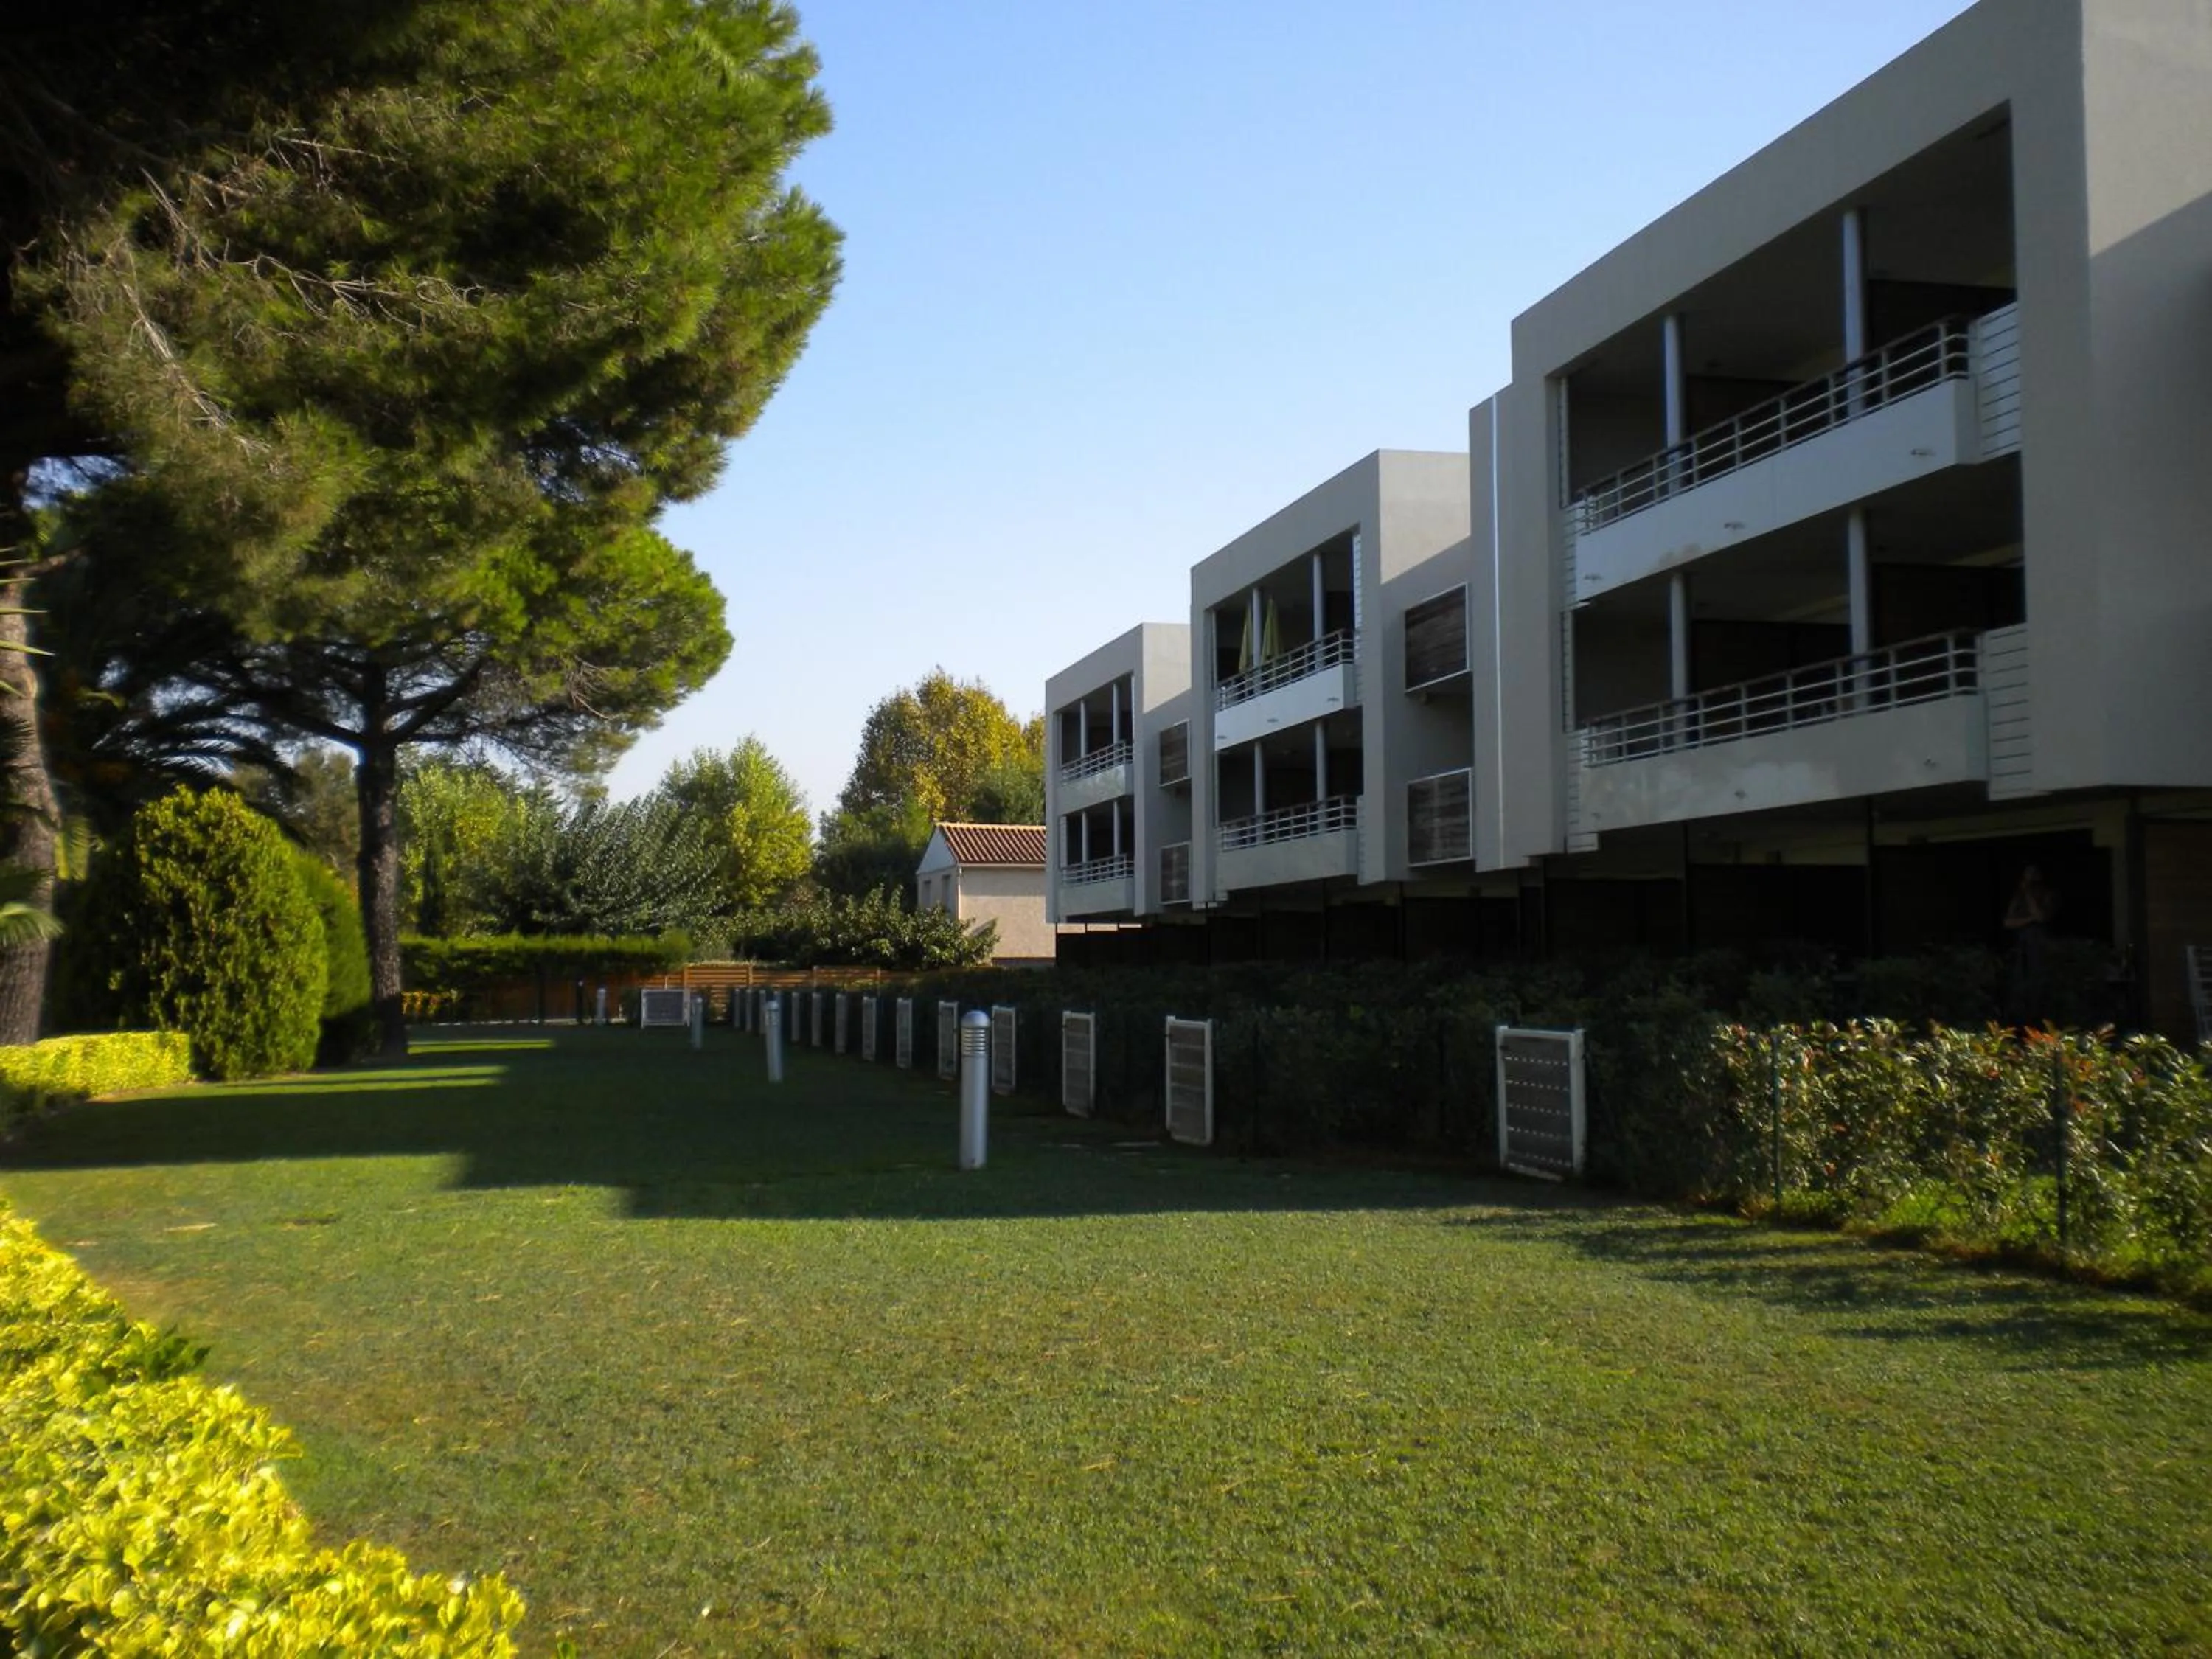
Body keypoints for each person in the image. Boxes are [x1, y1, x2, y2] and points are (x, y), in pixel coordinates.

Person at [2003, 863, 2057, 1023]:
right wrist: (2029, 920)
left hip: (2038, 945)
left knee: (2037, 982)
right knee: (2019, 982)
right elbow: (2008, 922)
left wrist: (2029, 895)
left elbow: (2040, 916)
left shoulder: (2047, 895)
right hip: (2021, 944)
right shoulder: (2018, 898)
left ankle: (2038, 1017)